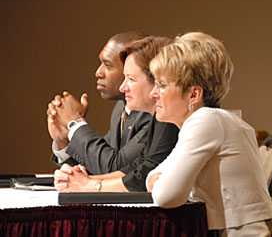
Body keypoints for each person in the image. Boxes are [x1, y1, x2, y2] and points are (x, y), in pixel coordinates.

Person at [146, 32, 272, 236]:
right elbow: (152, 177)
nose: (153, 93)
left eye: (162, 85)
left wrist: (158, 181)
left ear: (193, 94)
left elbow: (166, 196)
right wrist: (157, 181)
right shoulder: (211, 121)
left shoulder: (205, 121)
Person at [54, 36, 179, 192]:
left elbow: (138, 174)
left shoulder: (169, 118)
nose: (123, 87)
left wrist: (75, 123)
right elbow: (134, 168)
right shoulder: (127, 112)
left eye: (131, 79)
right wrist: (80, 179)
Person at [47, 31, 156, 175]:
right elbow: (98, 167)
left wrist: (75, 123)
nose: (98, 72)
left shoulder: (153, 113)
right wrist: (64, 140)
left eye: (108, 65)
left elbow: (115, 168)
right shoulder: (120, 109)